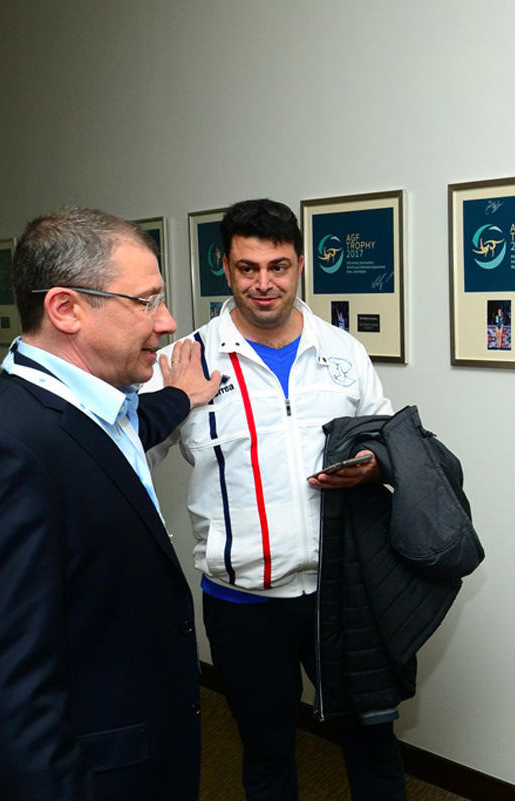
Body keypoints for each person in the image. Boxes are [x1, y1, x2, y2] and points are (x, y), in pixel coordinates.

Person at [143, 198, 404, 801]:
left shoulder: (343, 353)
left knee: (374, 747)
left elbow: (390, 438)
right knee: (266, 753)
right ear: (225, 269)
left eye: (279, 267)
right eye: (248, 268)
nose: (265, 284)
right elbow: (126, 457)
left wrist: (372, 467)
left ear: (301, 265)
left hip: (342, 594)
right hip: (242, 604)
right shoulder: (184, 361)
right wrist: (177, 399)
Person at [0, 207, 220, 800]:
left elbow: (116, 442)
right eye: (145, 301)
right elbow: (11, 697)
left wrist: (180, 398)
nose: (167, 322)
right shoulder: (6, 448)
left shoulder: (93, 409)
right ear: (66, 309)